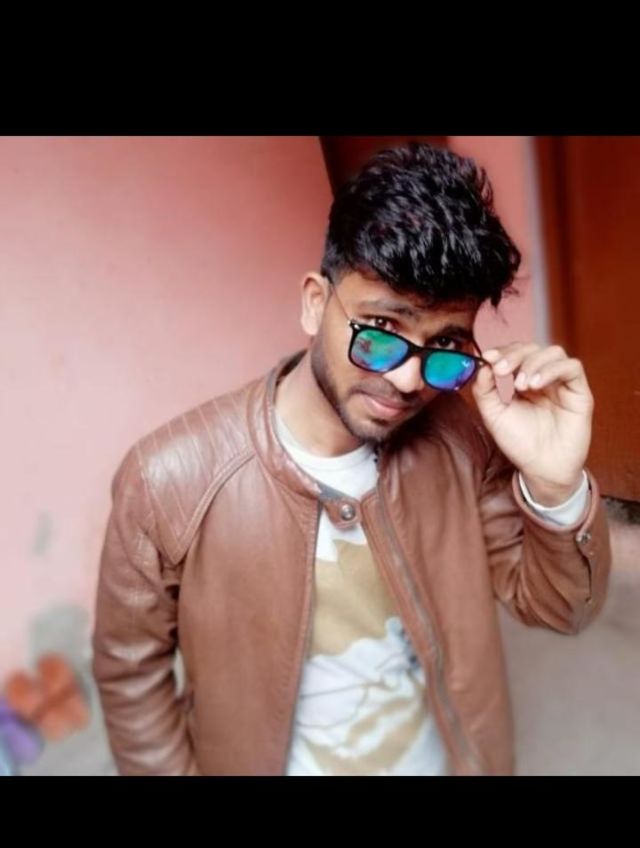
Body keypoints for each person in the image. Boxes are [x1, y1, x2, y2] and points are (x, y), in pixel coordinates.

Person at [92, 142, 611, 776]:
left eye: (445, 344)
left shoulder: (462, 438)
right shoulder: (167, 480)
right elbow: (131, 677)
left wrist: (555, 486)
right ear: (315, 303)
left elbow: (562, 609)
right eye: (382, 331)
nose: (408, 380)